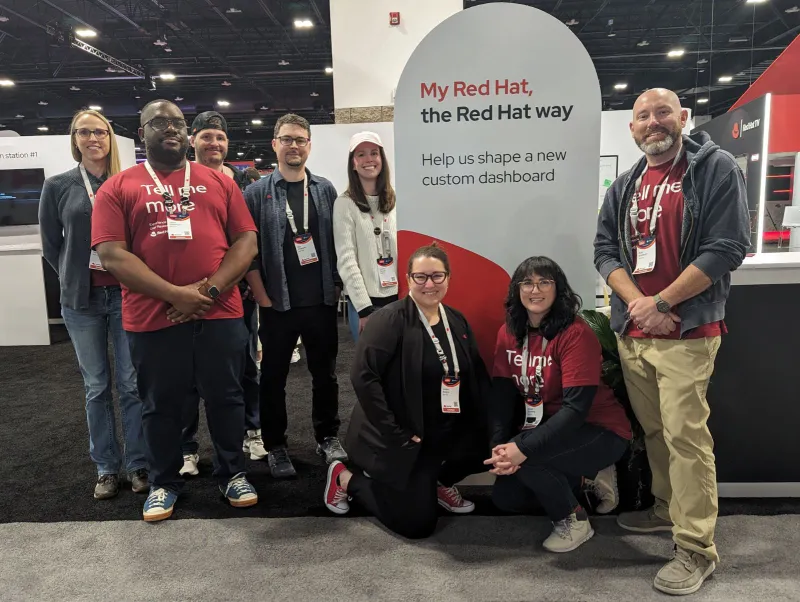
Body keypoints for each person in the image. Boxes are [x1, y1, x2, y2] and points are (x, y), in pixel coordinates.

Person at [594, 88, 749, 595]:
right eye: (642, 116)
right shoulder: (625, 184)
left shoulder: (715, 168)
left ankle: (696, 548)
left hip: (686, 331)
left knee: (686, 439)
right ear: (632, 128)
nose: (653, 122)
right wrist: (638, 304)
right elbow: (604, 251)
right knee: (656, 433)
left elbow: (727, 247)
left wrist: (662, 304)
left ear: (681, 118)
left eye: (662, 112)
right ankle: (666, 510)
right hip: (633, 334)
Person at [91, 99, 260, 522]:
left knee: (226, 397)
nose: (171, 129)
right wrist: (174, 294)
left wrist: (209, 290)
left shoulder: (218, 182)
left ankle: (232, 473)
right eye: (160, 123)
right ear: (141, 131)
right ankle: (165, 482)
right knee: (160, 402)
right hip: (152, 317)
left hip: (219, 312)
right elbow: (112, 254)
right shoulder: (118, 186)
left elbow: (245, 243)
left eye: (178, 123)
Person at [323, 243, 490, 539]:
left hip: (441, 428)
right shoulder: (389, 320)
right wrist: (395, 433)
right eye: (420, 277)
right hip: (403, 435)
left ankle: (437, 482)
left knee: (490, 443)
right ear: (408, 278)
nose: (429, 284)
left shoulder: (456, 320)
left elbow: (474, 373)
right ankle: (345, 478)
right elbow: (363, 377)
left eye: (437, 276)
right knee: (418, 525)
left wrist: (490, 426)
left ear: (448, 278)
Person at [487, 256, 631, 553]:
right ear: (517, 290)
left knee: (529, 458)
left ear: (558, 289)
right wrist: (500, 446)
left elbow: (575, 411)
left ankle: (574, 521)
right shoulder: (509, 332)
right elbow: (502, 393)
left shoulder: (575, 334)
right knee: (506, 498)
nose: (535, 289)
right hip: (551, 428)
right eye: (527, 282)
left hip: (600, 430)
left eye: (544, 282)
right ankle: (586, 481)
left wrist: (522, 449)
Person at [39, 109, 148, 500]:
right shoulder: (59, 185)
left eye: (99, 131)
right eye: (84, 132)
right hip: (81, 300)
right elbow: (52, 244)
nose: (92, 138)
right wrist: (73, 273)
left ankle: (138, 464)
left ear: (109, 137)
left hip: (125, 294)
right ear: (75, 138)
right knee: (97, 386)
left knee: (132, 384)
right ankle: (106, 467)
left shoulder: (127, 183)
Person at [244, 113, 346, 478]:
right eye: (286, 139)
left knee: (326, 375)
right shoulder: (256, 193)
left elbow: (336, 243)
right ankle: (276, 445)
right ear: (275, 144)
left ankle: (328, 436)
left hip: (319, 301)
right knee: (272, 378)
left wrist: (334, 286)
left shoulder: (324, 189)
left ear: (309, 145)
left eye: (300, 139)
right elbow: (247, 250)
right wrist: (261, 296)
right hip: (277, 304)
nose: (293, 146)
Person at [178, 111, 266, 478]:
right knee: (186, 376)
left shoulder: (242, 181)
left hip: (237, 295)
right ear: (192, 140)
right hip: (186, 295)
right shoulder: (175, 181)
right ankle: (187, 447)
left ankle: (252, 431)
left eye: (220, 137)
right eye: (207, 136)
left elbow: (249, 240)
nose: (214, 144)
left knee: (245, 368)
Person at [333, 131, 398, 342]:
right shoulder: (344, 204)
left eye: (374, 153)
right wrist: (364, 308)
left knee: (402, 366)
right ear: (353, 163)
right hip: (365, 303)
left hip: (400, 300)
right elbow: (346, 259)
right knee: (371, 367)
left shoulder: (397, 199)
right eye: (361, 154)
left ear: (382, 159)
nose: (369, 159)